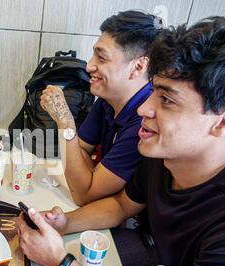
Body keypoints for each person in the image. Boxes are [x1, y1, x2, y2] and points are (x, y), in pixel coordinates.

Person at [18, 16, 225, 266]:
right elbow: (122, 204)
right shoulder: (163, 154)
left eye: (167, 100)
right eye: (154, 92)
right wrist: (64, 223)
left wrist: (61, 264)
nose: (145, 108)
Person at [40, 11, 162, 206]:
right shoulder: (108, 98)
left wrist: (65, 122)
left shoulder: (145, 122)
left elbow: (83, 195)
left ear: (138, 67)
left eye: (102, 58)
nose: (89, 66)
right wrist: (89, 174)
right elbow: (80, 149)